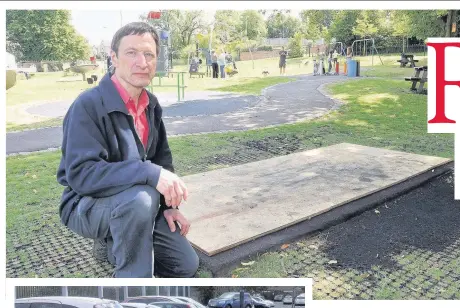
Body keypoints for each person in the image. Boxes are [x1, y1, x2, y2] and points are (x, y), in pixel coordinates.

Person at [56, 22, 199, 278]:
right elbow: (81, 174)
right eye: (131, 53)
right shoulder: (87, 105)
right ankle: (131, 278)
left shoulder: (151, 105)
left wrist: (169, 207)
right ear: (114, 58)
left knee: (185, 265)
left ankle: (112, 245)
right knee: (141, 198)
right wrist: (147, 172)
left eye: (149, 55)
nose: (141, 62)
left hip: (137, 203)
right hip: (85, 204)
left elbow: (161, 159)